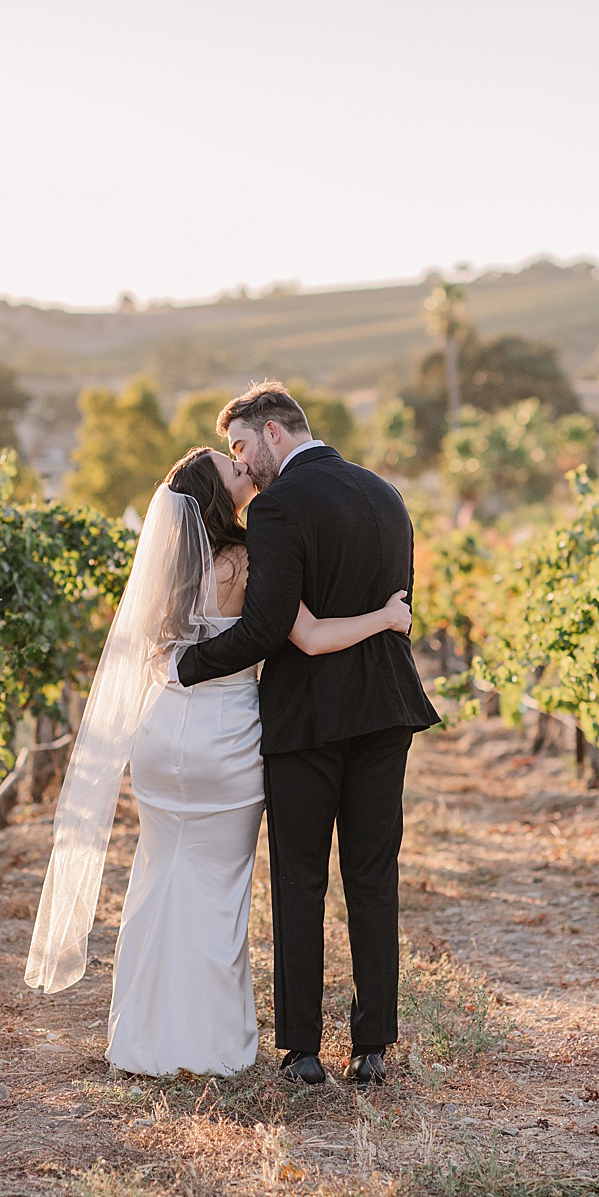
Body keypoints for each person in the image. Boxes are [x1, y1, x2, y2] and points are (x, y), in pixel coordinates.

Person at [26, 443, 410, 1077]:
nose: (247, 472)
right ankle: (210, 1043)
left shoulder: (165, 563)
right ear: (216, 493)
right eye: (235, 470)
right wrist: (386, 617)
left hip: (161, 730)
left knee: (157, 874)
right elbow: (308, 637)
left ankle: (142, 1036)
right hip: (225, 735)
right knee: (220, 889)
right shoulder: (251, 557)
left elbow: (149, 651)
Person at [175, 382, 439, 1087]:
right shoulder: (388, 495)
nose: (243, 464)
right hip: (386, 711)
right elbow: (403, 604)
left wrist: (185, 665)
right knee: (373, 875)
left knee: (300, 879)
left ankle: (302, 1052)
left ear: (275, 433)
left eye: (240, 447)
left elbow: (265, 630)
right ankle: (374, 1047)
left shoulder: (279, 507)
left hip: (306, 722)